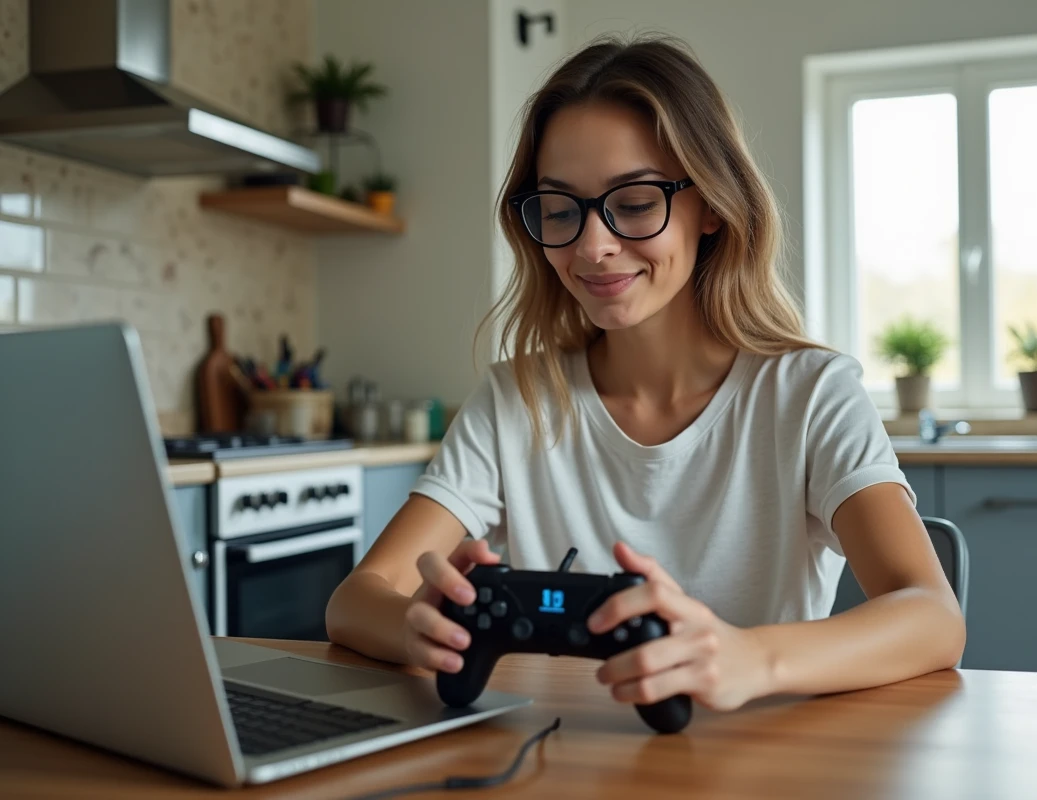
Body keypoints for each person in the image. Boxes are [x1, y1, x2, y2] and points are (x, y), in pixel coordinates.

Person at [326, 33, 965, 713]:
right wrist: (418, 627)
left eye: (633, 202)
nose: (592, 246)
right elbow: (355, 600)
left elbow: (933, 616)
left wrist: (755, 657)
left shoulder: (809, 395)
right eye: (560, 208)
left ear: (714, 205)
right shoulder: (519, 400)